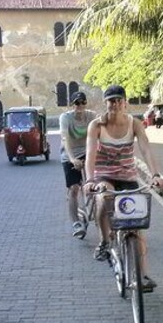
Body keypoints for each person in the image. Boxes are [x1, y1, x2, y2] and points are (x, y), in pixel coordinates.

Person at [83, 85, 163, 290]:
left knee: (137, 225)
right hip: (104, 175)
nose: (115, 104)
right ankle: (105, 240)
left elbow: (146, 149)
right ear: (105, 103)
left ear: (125, 103)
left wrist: (155, 175)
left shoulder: (135, 124)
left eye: (119, 100)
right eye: (111, 101)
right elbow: (90, 155)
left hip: (128, 176)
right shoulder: (96, 126)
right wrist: (89, 180)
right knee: (104, 198)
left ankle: (143, 275)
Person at [59, 91, 97, 238]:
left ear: (86, 103)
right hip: (70, 154)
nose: (79, 106)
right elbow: (64, 138)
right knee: (74, 188)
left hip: (87, 152)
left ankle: (96, 210)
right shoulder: (66, 117)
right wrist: (72, 158)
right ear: (72, 104)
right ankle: (76, 222)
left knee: (95, 183)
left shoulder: (91, 116)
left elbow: (97, 135)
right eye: (76, 103)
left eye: (82, 102)